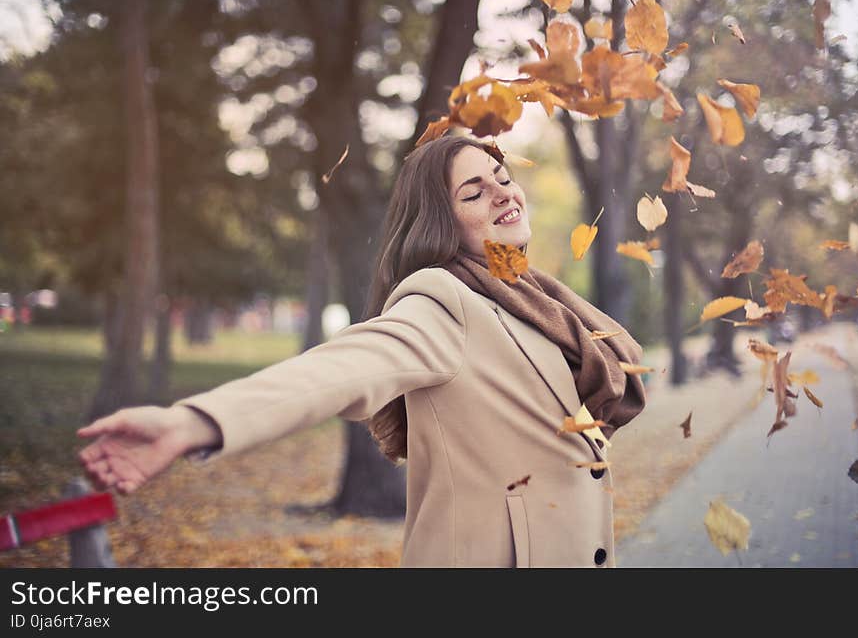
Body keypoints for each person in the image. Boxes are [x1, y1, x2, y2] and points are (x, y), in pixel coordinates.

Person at [78, 134, 647, 568]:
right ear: (442, 224)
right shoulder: (444, 298)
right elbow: (341, 369)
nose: (502, 193)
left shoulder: (536, 299)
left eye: (501, 177)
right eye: (474, 191)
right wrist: (194, 422)